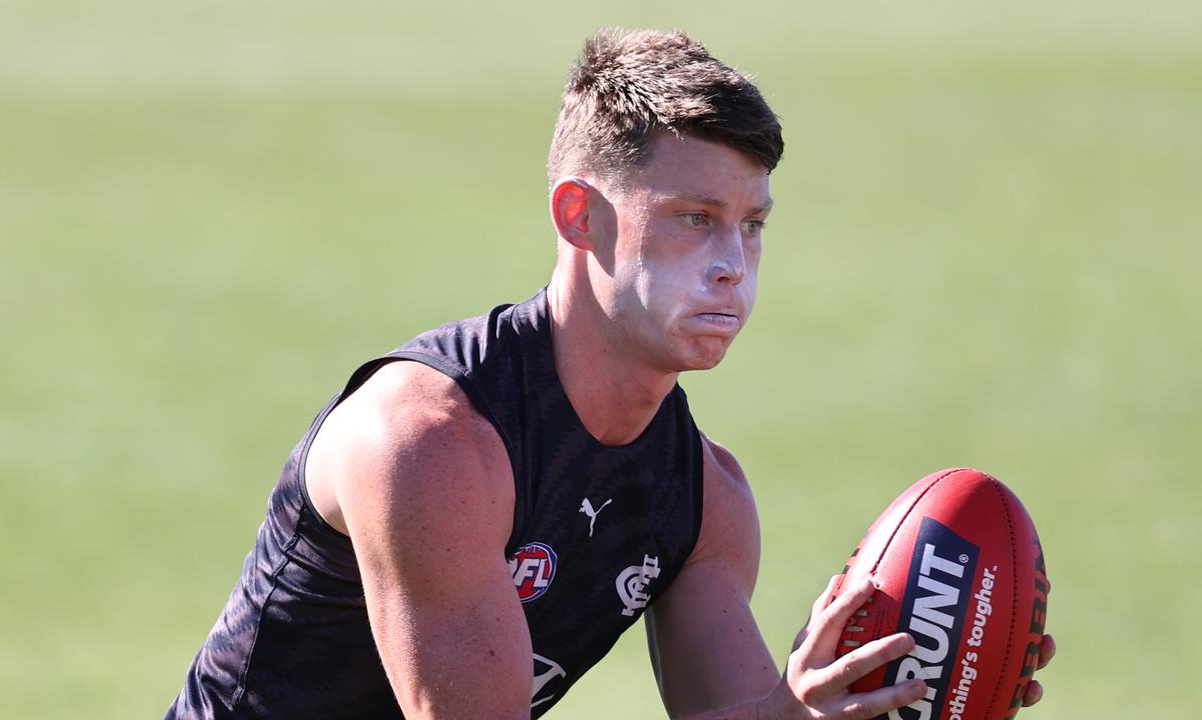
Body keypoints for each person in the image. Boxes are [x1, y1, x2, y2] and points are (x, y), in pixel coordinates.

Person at [166, 29, 1054, 719]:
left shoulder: (705, 497)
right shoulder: (426, 444)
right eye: (692, 218)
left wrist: (866, 690)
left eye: (752, 225)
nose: (731, 266)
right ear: (580, 216)